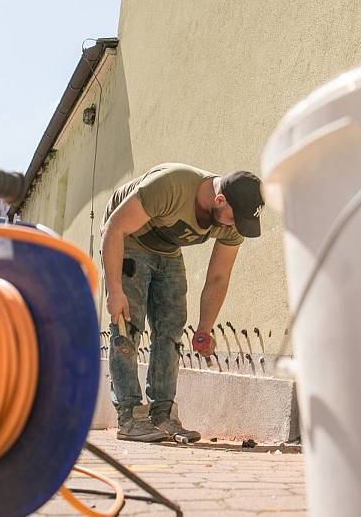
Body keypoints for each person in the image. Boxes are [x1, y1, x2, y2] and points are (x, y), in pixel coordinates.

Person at [101, 163, 264, 442]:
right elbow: (113, 228)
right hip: (128, 238)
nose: (235, 228)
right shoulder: (171, 186)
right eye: (234, 219)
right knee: (128, 326)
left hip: (167, 247)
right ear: (220, 200)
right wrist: (115, 290)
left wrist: (204, 330)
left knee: (171, 327)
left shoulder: (231, 222)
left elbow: (218, 277)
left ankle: (162, 416)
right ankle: (129, 416)